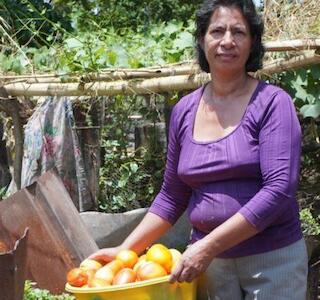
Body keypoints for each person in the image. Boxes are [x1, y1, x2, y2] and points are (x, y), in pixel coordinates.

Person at [89, 0, 308, 299]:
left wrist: (207, 246)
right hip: (210, 267)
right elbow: (171, 195)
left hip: (271, 260)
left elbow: (279, 189)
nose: (227, 41)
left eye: (239, 32)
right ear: (202, 40)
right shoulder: (184, 111)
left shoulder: (272, 103)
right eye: (217, 31)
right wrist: (125, 250)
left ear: (253, 42)